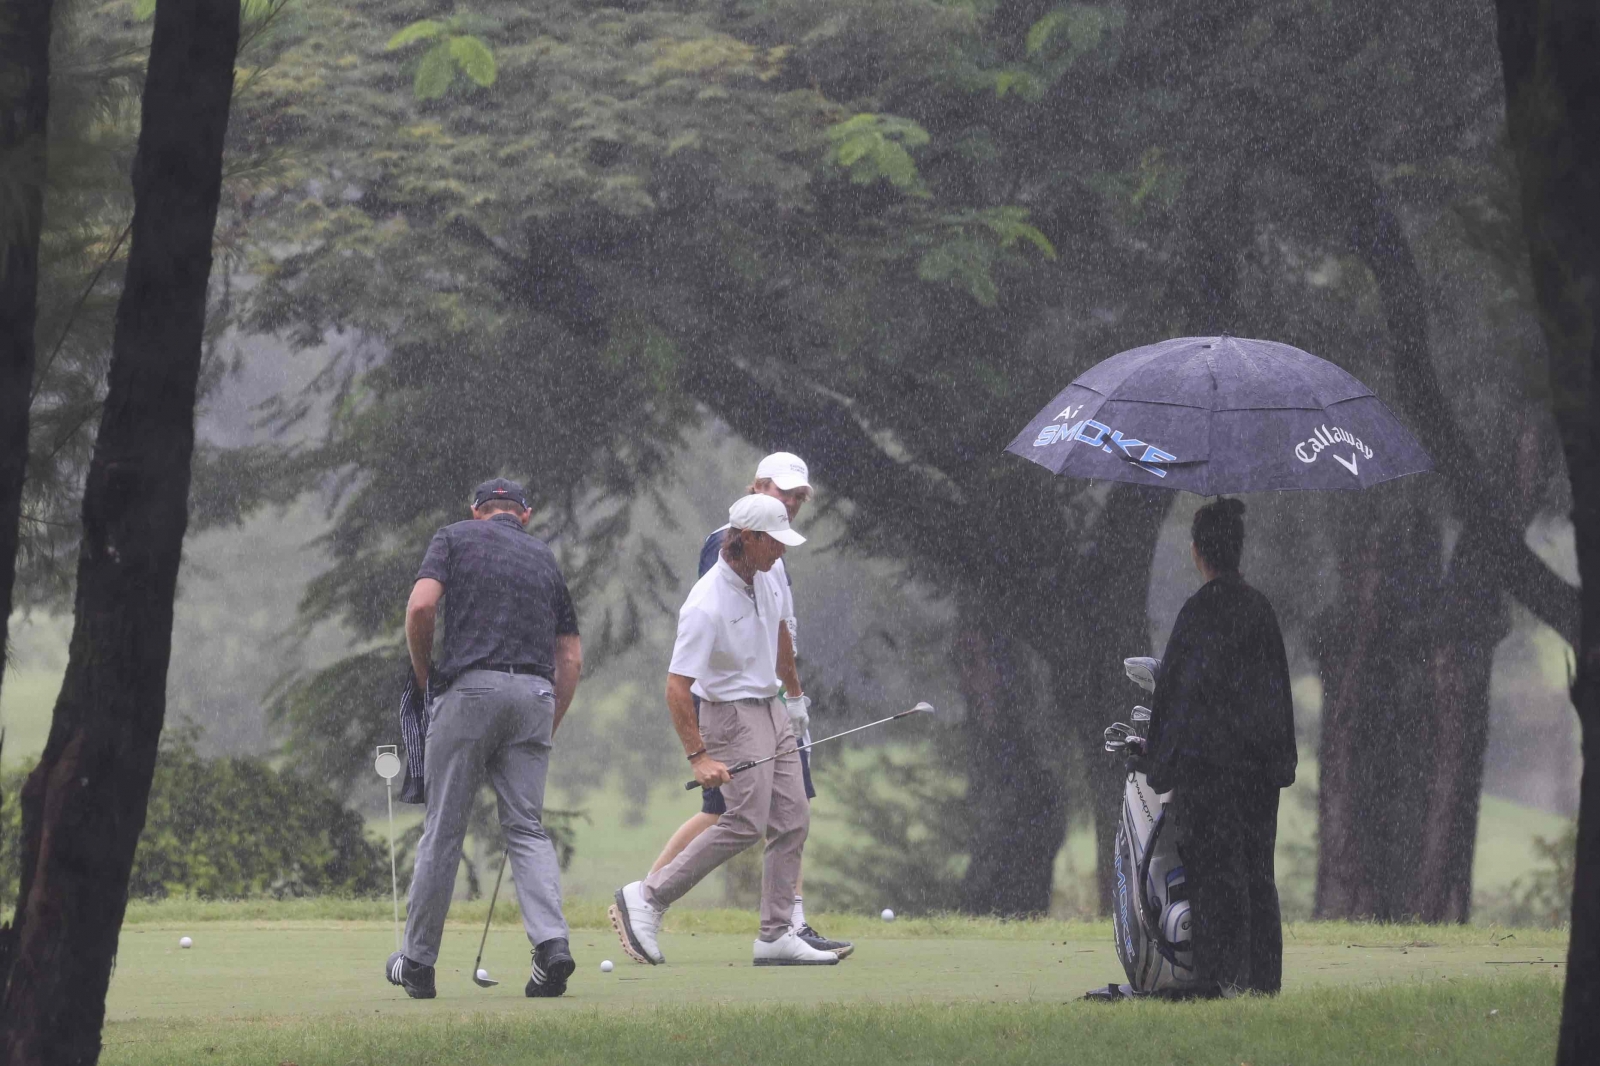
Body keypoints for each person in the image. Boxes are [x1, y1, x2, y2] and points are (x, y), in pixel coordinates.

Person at [609, 493, 838, 967]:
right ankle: (648, 897)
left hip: (771, 708)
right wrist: (698, 756)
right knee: (744, 823)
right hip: (729, 715)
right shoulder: (706, 602)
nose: (783, 551)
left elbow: (779, 635)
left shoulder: (769, 572)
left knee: (793, 818)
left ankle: (775, 935)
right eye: (774, 542)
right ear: (748, 539)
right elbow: (676, 687)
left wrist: (793, 698)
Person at [385, 478, 585, 999]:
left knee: (444, 829)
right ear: (526, 514)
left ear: (476, 511)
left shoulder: (453, 538)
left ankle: (419, 963)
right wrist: (548, 721)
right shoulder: (543, 557)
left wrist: (427, 676)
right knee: (526, 829)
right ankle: (551, 947)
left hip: (469, 692)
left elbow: (421, 607)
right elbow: (571, 657)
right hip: (536, 696)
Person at [1135, 497, 1296, 998]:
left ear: (1198, 552)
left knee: (1213, 876)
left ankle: (1218, 979)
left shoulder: (1197, 614)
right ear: (1238, 550)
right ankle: (1263, 982)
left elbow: (1174, 699)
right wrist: (1276, 764)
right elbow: (1278, 697)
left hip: (1208, 774)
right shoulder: (1260, 610)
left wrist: (1158, 761)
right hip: (1255, 776)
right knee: (1256, 875)